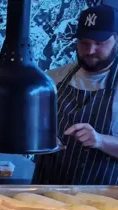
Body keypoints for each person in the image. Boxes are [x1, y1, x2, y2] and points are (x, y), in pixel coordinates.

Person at [33, 4, 118, 185]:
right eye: (84, 42)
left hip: (101, 199)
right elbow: (31, 125)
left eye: (99, 43)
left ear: (116, 40)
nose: (90, 51)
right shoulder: (52, 79)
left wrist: (100, 140)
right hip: (46, 191)